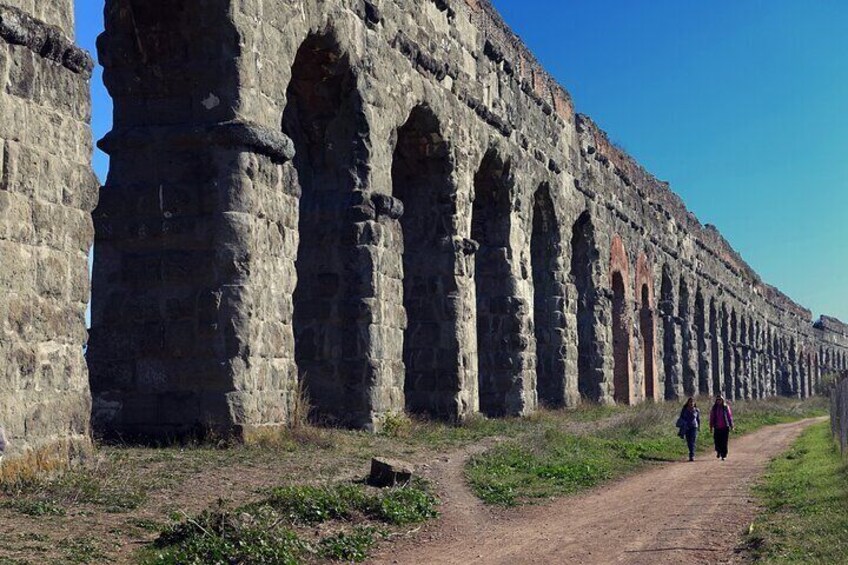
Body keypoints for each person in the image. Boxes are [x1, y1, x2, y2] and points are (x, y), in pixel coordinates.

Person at [709, 395, 734, 460]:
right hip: (717, 427)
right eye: (717, 400)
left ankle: (724, 455)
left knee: (724, 442)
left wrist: (731, 425)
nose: (719, 401)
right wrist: (711, 426)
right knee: (717, 441)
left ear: (722, 400)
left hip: (725, 427)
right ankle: (718, 451)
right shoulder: (714, 408)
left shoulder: (725, 407)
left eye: (720, 399)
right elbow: (711, 417)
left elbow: (729, 416)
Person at [679, 397, 700, 462]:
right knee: (689, 442)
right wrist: (681, 427)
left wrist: (699, 427)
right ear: (687, 403)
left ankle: (692, 455)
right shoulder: (684, 409)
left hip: (694, 427)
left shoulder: (696, 410)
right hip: (686, 427)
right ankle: (691, 453)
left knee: (692, 441)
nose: (691, 403)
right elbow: (681, 418)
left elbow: (698, 419)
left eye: (692, 402)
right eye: (690, 402)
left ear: (694, 403)